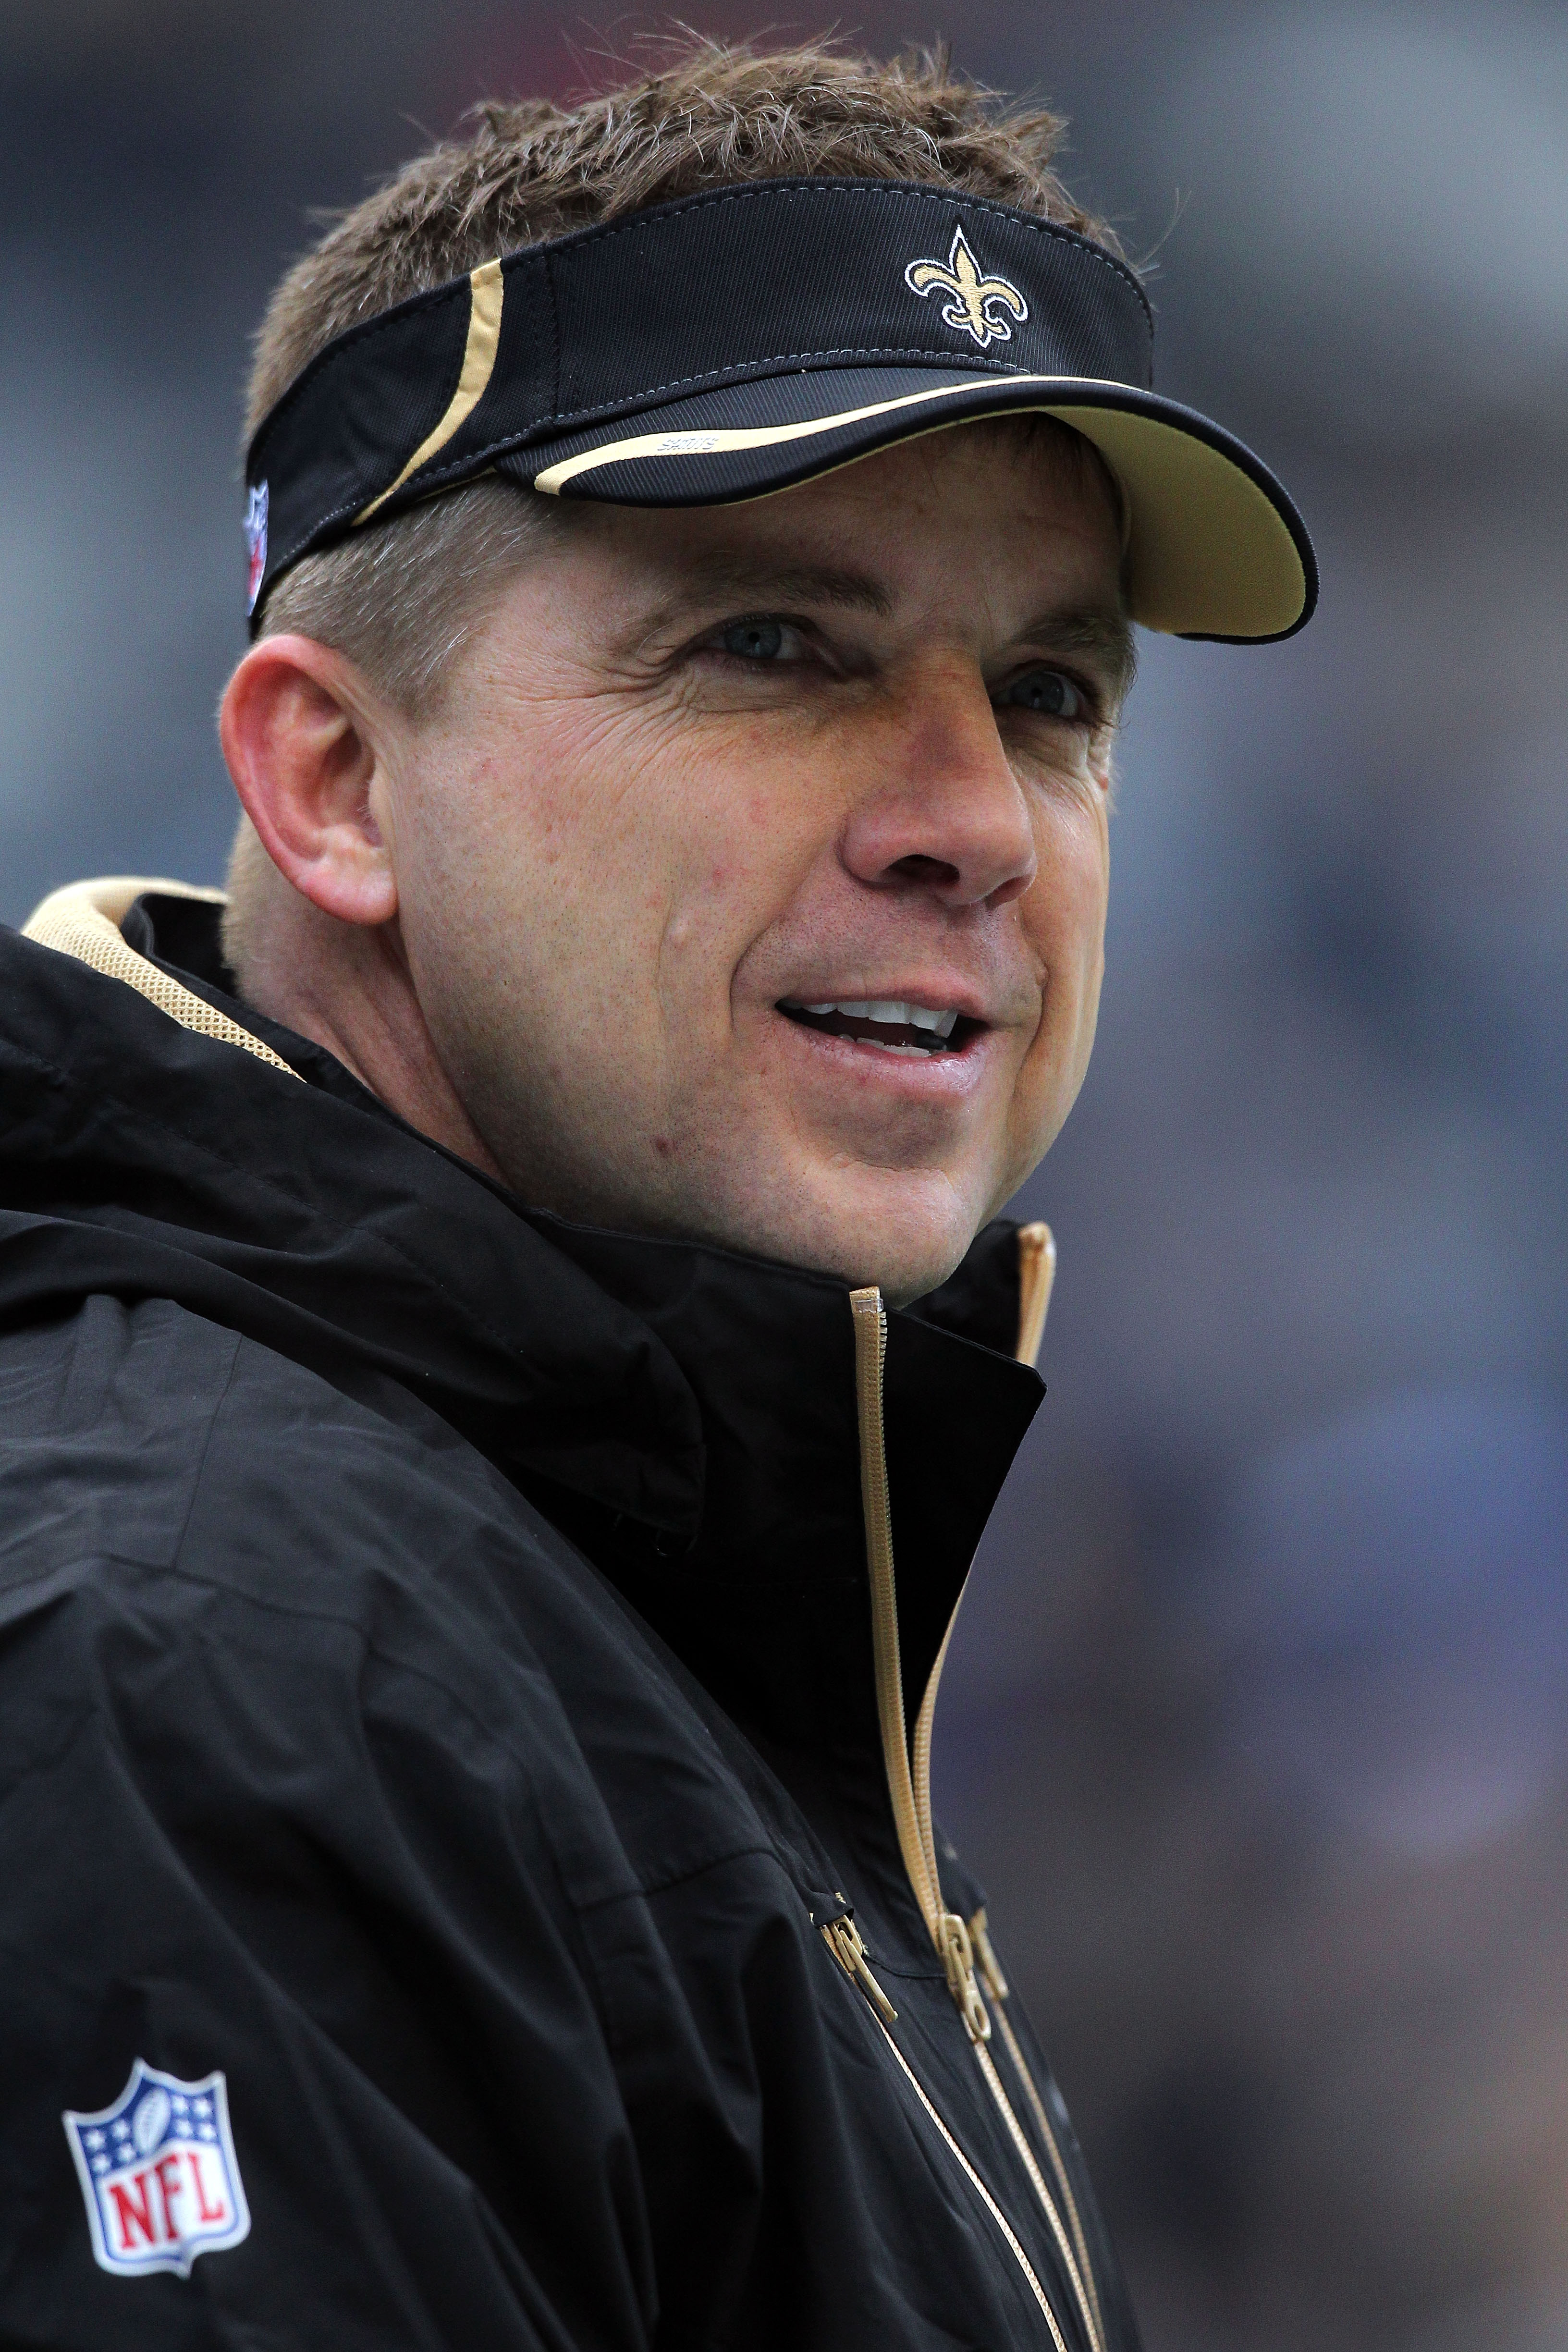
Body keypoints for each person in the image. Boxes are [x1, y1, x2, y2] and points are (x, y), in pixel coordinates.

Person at [0, 38, 1314, 2350]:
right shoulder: (210, 1663)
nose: (975, 820)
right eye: (775, 647)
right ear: (336, 781)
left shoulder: (606, 1590)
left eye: (1049, 690)